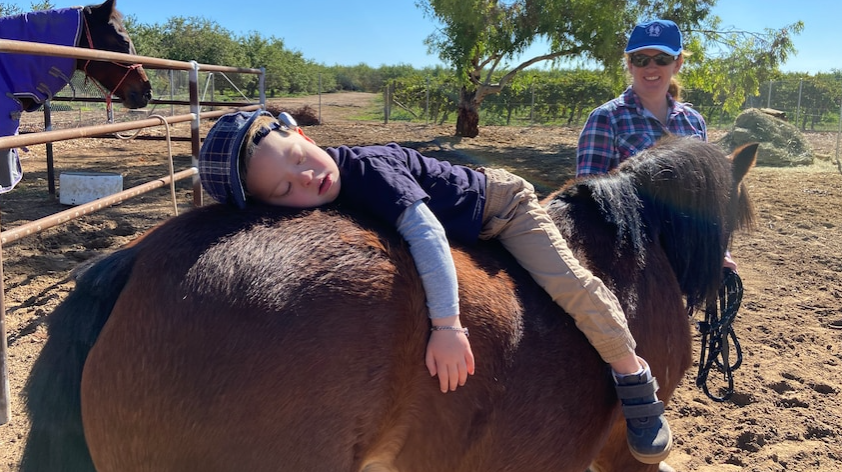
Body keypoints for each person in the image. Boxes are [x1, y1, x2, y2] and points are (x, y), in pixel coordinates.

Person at [198, 109, 672, 464]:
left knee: (571, 285)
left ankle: (634, 379)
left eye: (299, 158)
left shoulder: (368, 170)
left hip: (502, 210)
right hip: (468, 219)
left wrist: (447, 324)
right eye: (284, 191)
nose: (307, 177)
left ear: (301, 133)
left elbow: (426, 234)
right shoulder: (324, 186)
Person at [576, 18, 737, 271]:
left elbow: (707, 202)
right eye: (642, 59)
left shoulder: (693, 121)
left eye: (662, 58)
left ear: (678, 63)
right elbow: (586, 200)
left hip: (683, 261)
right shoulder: (606, 119)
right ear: (630, 64)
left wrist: (719, 251)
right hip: (627, 262)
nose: (651, 66)